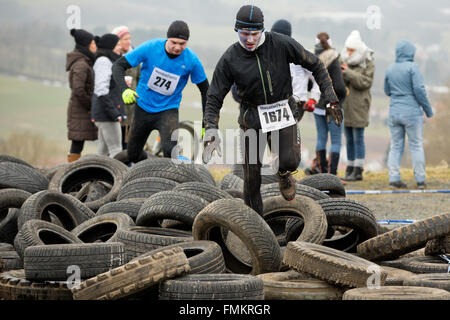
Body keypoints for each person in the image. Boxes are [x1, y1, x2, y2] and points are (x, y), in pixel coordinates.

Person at [202, 5, 341, 216]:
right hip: (252, 117)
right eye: (244, 34)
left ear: (262, 31)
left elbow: (316, 64)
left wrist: (330, 97)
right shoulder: (230, 58)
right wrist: (211, 127)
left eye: (254, 34)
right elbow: (214, 96)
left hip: (282, 111)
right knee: (251, 176)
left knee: (290, 161)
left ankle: (284, 173)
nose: (249, 40)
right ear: (236, 31)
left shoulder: (281, 44)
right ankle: (255, 223)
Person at [112, 20, 209, 162]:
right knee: (133, 154)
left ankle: (186, 170)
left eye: (182, 44)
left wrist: (207, 122)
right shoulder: (150, 48)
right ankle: (150, 163)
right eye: (173, 42)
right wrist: (125, 90)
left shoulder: (191, 60)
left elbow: (206, 90)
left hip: (168, 110)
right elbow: (118, 66)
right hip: (143, 108)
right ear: (167, 38)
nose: (177, 47)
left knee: (170, 152)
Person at [384, 40, 433, 189]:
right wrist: (428, 110)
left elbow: (387, 91)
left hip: (394, 112)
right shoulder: (413, 67)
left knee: (396, 145)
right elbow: (419, 90)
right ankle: (420, 180)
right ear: (411, 52)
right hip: (412, 113)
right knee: (416, 145)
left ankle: (394, 178)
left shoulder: (390, 68)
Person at [340, 30, 375, 181]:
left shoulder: (367, 60)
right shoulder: (344, 61)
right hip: (346, 104)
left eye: (351, 50)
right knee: (348, 137)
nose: (348, 52)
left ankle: (358, 169)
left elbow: (365, 82)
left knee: (357, 137)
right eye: (347, 49)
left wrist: (348, 73)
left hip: (359, 104)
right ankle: (350, 166)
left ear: (358, 49)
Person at [91, 34, 126, 158]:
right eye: (117, 45)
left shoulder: (108, 61)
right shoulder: (103, 61)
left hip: (104, 113)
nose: (120, 47)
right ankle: (118, 177)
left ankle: (94, 177)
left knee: (102, 151)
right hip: (107, 114)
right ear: (109, 47)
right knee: (116, 150)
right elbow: (101, 90)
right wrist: (114, 113)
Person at [66, 28, 98, 162]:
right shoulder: (81, 65)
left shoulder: (85, 62)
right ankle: (70, 171)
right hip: (81, 110)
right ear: (87, 46)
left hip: (81, 109)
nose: (95, 47)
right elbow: (78, 90)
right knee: (77, 143)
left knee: (78, 143)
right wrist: (92, 104)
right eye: (93, 44)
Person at [111, 25, 141, 150]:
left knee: (129, 143)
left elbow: (139, 78)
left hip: (132, 106)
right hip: (115, 105)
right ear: (117, 41)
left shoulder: (135, 57)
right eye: (125, 39)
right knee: (114, 144)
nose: (128, 42)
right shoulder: (112, 57)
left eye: (129, 38)